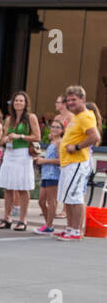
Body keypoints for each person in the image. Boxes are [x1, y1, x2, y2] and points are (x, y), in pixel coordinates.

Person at [55, 85, 102, 241]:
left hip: (77, 162)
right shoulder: (76, 116)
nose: (71, 103)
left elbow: (94, 136)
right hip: (68, 163)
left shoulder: (85, 116)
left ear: (83, 99)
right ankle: (69, 228)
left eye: (74, 99)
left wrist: (76, 147)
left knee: (75, 198)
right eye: (68, 100)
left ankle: (76, 230)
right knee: (68, 197)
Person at [0, 91, 41, 230]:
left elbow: (37, 137)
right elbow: (2, 138)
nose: (18, 103)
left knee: (22, 187)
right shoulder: (9, 120)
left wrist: (20, 136)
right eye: (16, 100)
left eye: (21, 101)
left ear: (26, 103)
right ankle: (7, 218)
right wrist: (5, 139)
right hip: (10, 153)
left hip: (23, 154)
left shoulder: (31, 118)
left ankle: (22, 219)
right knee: (8, 187)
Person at [33, 119, 63, 234]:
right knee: (41, 201)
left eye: (57, 127)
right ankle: (48, 224)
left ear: (62, 130)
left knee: (51, 202)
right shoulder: (52, 142)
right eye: (53, 127)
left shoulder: (60, 142)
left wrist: (44, 161)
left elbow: (61, 160)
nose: (54, 129)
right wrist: (40, 158)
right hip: (46, 174)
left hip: (54, 175)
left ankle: (49, 226)